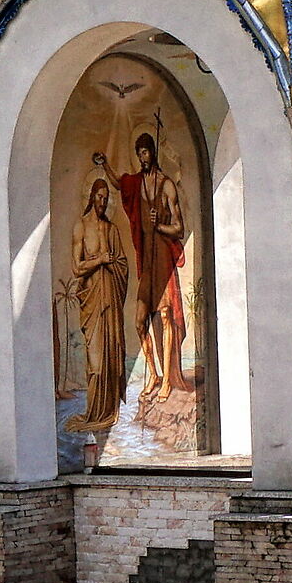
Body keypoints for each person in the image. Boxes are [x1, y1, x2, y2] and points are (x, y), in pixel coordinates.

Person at [97, 132, 189, 402]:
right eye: (139, 154)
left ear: (152, 152)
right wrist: (105, 164)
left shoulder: (166, 185)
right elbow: (118, 184)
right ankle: (153, 373)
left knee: (165, 316)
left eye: (145, 153)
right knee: (140, 321)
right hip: (147, 261)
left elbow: (180, 229)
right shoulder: (137, 183)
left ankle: (168, 380)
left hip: (163, 259)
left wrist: (159, 225)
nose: (142, 158)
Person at [69, 176, 129, 431]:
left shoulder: (112, 230)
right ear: (91, 197)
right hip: (92, 301)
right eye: (99, 197)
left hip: (110, 301)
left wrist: (112, 262)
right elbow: (76, 267)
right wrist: (100, 260)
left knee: (111, 357)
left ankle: (109, 412)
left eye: (106, 198)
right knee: (96, 363)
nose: (103, 202)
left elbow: (123, 265)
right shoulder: (81, 227)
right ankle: (93, 414)